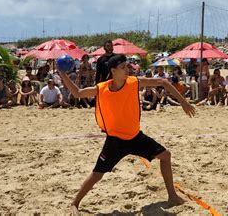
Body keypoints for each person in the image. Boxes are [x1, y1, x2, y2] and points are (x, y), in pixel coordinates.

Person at [58, 54, 195, 213]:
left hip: (135, 137)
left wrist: (183, 102)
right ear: (113, 71)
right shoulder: (102, 88)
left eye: (127, 66)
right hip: (115, 141)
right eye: (123, 67)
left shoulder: (133, 82)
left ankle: (172, 196)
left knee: (166, 156)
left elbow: (163, 82)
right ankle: (74, 203)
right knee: (97, 174)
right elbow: (77, 93)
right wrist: (63, 74)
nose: (127, 70)